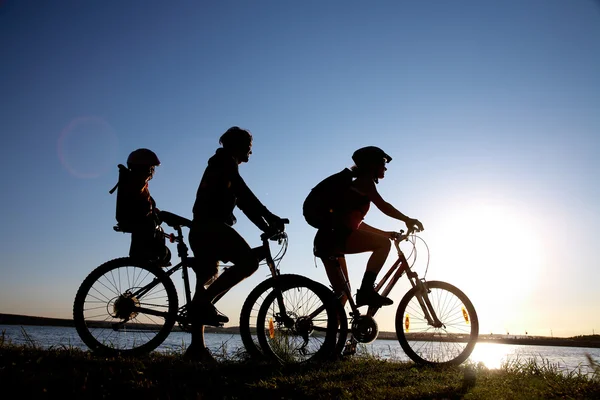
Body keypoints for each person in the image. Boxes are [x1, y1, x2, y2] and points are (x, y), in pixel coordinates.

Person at [186, 126, 285, 360]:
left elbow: (243, 203)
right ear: (237, 146)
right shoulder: (225, 162)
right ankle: (204, 302)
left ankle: (197, 348)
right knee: (249, 262)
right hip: (212, 228)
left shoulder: (221, 165)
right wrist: (271, 217)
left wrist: (265, 227)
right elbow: (244, 192)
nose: (250, 153)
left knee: (206, 277)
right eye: (248, 148)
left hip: (202, 229)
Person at [313, 146, 424, 308]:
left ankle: (335, 332)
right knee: (383, 245)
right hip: (334, 237)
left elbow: (358, 225)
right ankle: (366, 292)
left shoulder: (357, 187)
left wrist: (386, 233)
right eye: (382, 163)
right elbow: (383, 205)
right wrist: (407, 219)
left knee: (342, 296)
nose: (385, 167)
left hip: (328, 239)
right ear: (372, 165)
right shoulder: (365, 182)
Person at [115, 148, 168, 264]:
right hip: (137, 219)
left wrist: (153, 209)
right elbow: (137, 199)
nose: (152, 172)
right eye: (151, 168)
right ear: (143, 168)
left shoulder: (136, 182)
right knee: (151, 225)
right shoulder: (135, 181)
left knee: (158, 228)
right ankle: (145, 254)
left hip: (139, 217)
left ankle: (156, 255)